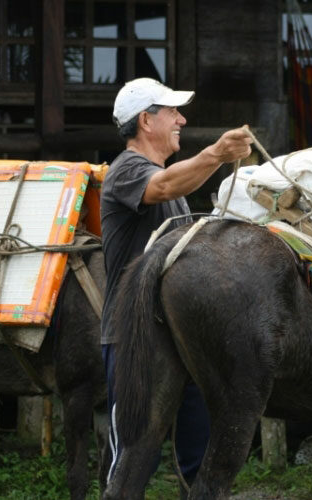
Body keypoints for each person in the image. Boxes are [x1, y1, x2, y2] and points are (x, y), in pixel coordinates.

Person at [99, 77, 253, 491]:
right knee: (131, 460)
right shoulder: (126, 170)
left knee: (197, 460)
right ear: (146, 121)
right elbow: (163, 185)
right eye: (172, 112)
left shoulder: (176, 187)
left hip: (182, 342)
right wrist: (217, 154)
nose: (182, 119)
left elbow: (173, 184)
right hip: (136, 339)